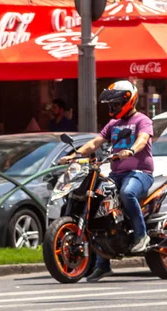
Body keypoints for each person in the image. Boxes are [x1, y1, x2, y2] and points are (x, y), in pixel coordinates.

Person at [59, 80, 154, 282]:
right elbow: (95, 143)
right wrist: (73, 154)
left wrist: (130, 151)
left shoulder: (142, 120)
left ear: (128, 100)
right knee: (98, 207)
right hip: (116, 174)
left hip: (139, 173)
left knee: (127, 194)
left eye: (116, 104)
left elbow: (143, 139)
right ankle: (103, 265)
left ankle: (141, 235)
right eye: (111, 105)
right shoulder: (113, 125)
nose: (113, 108)